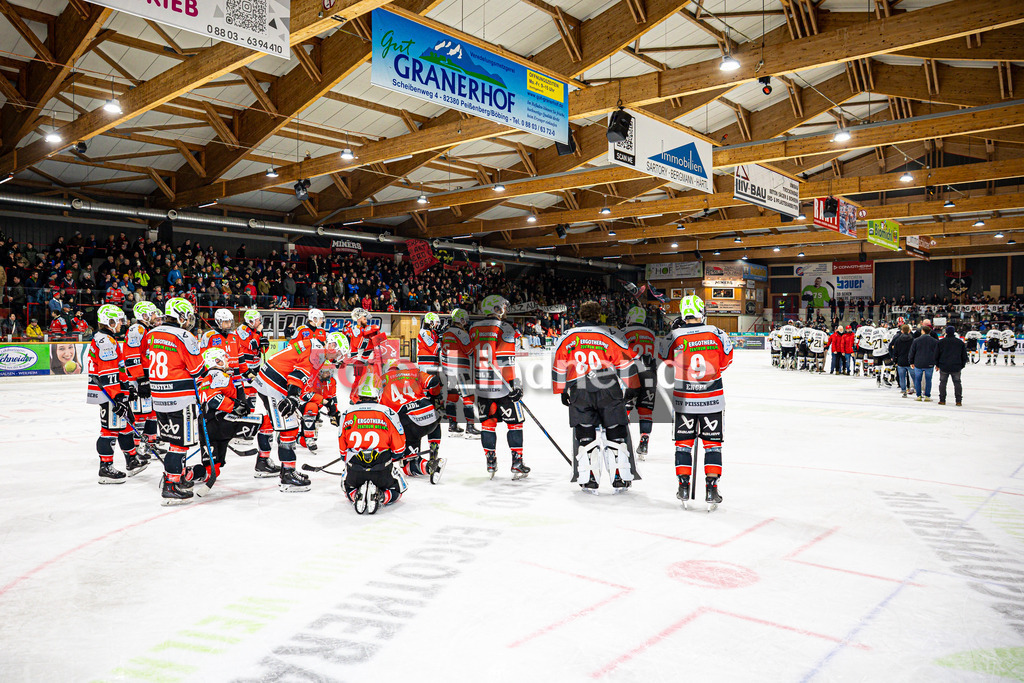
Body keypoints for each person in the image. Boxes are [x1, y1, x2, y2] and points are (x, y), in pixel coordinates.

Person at [552, 301, 640, 492]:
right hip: (608, 386)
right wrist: (631, 386)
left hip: (579, 388)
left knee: (585, 434)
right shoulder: (610, 333)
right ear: (599, 315)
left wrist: (561, 390)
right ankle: (620, 477)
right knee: (616, 431)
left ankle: (588, 478)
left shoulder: (568, 336)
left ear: (581, 316)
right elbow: (625, 361)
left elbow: (559, 362)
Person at [662, 295, 733, 509]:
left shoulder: (674, 335)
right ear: (702, 310)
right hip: (712, 399)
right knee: (712, 444)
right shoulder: (717, 333)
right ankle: (711, 489)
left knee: (683, 444)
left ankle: (683, 485)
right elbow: (726, 361)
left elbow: (664, 360)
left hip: (685, 400)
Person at [254, 331, 347, 491]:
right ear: (331, 345)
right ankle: (288, 475)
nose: (338, 357)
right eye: (339, 352)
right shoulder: (317, 352)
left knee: (273, 420)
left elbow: (302, 383)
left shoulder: (315, 346)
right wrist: (293, 397)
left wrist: (323, 402)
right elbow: (298, 376)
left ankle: (263, 462)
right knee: (289, 426)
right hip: (274, 383)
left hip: (271, 379)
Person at [148, 297, 205, 504]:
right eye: (187, 316)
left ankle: (173, 477)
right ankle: (171, 484)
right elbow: (197, 369)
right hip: (181, 397)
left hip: (158, 395)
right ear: (181, 315)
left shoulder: (152, 333)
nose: (189, 320)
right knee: (179, 444)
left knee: (172, 440)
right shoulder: (184, 335)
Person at [469, 294, 529, 479]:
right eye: (502, 307)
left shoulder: (473, 328)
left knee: (488, 424)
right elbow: (506, 361)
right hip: (502, 387)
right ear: (495, 308)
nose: (504, 310)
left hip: (481, 385)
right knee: (515, 424)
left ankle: (490, 461)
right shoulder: (504, 328)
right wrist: (514, 385)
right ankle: (517, 462)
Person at [86, 305, 147, 484]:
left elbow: (118, 369)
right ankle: (105, 468)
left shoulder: (108, 339)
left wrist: (128, 389)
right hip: (108, 394)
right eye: (118, 320)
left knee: (126, 425)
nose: (122, 323)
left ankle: (132, 460)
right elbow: (107, 373)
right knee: (109, 431)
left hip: (114, 392)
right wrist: (118, 398)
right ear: (109, 322)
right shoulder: (105, 341)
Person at [339, 369, 407, 514]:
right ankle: (382, 496)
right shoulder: (388, 413)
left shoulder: (346, 413)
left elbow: (342, 451)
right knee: (398, 490)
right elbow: (399, 447)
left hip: (355, 469)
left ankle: (355, 494)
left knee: (347, 487)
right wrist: (395, 456)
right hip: (381, 469)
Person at [196, 347, 263, 477]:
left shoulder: (205, 378)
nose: (228, 360)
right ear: (217, 361)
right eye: (224, 357)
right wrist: (236, 406)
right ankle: (264, 461)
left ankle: (188, 474)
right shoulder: (220, 375)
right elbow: (214, 399)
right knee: (264, 422)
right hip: (221, 422)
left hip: (205, 425)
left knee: (212, 470)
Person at [379, 358, 445, 481]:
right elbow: (434, 381)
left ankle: (428, 466)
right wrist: (434, 396)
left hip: (410, 424)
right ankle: (434, 447)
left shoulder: (381, 381)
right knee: (432, 412)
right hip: (431, 418)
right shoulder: (414, 373)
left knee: (407, 466)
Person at [122, 302, 162, 460]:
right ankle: (137, 447)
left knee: (152, 413)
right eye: (152, 314)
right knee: (140, 414)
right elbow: (131, 357)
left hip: (148, 378)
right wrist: (141, 379)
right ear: (144, 315)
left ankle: (150, 445)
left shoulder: (147, 330)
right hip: (138, 380)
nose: (155, 317)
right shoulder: (136, 329)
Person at [620, 306, 657, 459]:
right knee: (646, 411)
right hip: (650, 374)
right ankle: (644, 440)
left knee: (625, 408)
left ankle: (623, 440)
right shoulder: (652, 334)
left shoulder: (624, 332)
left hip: (632, 372)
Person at [440, 308, 479, 437]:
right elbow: (469, 351)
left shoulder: (446, 333)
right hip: (461, 368)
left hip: (449, 369)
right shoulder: (461, 333)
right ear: (460, 320)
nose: (465, 322)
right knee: (468, 397)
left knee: (452, 396)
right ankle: (470, 426)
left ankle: (452, 424)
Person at [936, 325, 968, 406]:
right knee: (957, 383)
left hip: (944, 366)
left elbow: (936, 355)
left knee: (943, 383)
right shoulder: (960, 342)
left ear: (946, 332)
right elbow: (964, 356)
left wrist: (937, 364)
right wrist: (962, 365)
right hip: (956, 366)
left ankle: (942, 400)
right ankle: (958, 401)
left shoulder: (941, 342)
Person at [908, 323, 939, 401]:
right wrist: (937, 363)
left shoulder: (916, 340)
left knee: (918, 379)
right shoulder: (934, 341)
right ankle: (927, 395)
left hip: (918, 363)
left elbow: (912, 352)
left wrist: (911, 362)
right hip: (930, 363)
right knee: (928, 380)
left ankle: (918, 395)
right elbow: (937, 353)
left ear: (922, 331)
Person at [889, 323, 914, 397]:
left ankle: (903, 390)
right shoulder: (912, 339)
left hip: (900, 361)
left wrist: (895, 360)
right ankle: (914, 389)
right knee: (913, 376)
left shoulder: (898, 340)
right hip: (910, 361)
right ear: (909, 331)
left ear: (902, 331)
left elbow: (895, 351)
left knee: (902, 377)